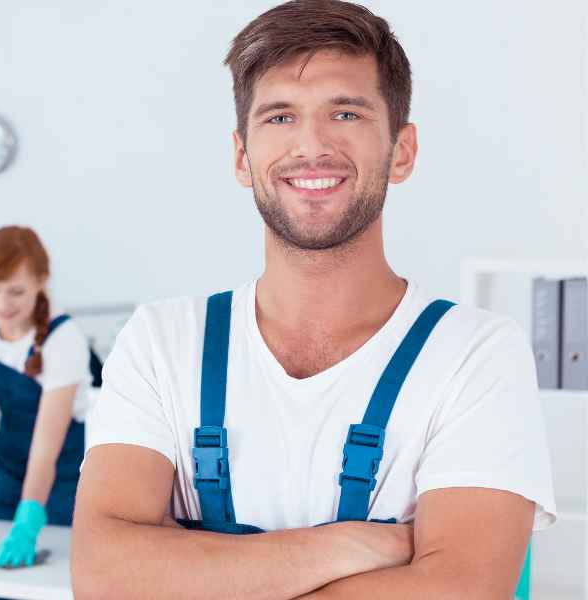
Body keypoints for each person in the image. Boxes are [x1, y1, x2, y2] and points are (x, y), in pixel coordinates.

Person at [71, 1, 556, 598]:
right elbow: (102, 577)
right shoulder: (160, 342)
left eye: (346, 112)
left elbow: (463, 591)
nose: (312, 146)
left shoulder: (476, 355)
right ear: (242, 157)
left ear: (402, 151)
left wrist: (190, 572)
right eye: (279, 117)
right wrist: (355, 546)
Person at [0, 226, 100, 568]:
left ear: (41, 281)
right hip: (10, 462)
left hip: (64, 471)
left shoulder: (63, 340)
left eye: (16, 292)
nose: (2, 305)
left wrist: (29, 521)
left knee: (54, 575)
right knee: (1, 573)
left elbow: (45, 449)